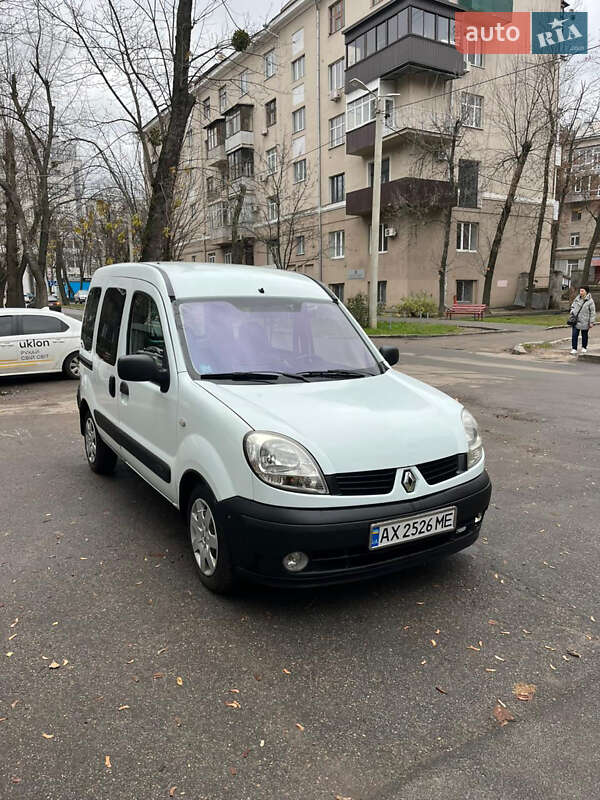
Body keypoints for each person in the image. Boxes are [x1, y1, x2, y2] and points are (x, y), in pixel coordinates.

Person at [570, 286, 596, 354]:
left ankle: (584, 347)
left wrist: (591, 322)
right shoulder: (577, 299)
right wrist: (572, 311)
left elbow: (592, 312)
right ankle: (574, 348)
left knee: (584, 335)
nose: (580, 292)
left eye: (582, 291)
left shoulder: (590, 301)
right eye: (580, 291)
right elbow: (572, 306)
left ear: (586, 292)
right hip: (575, 321)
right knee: (574, 335)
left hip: (585, 321)